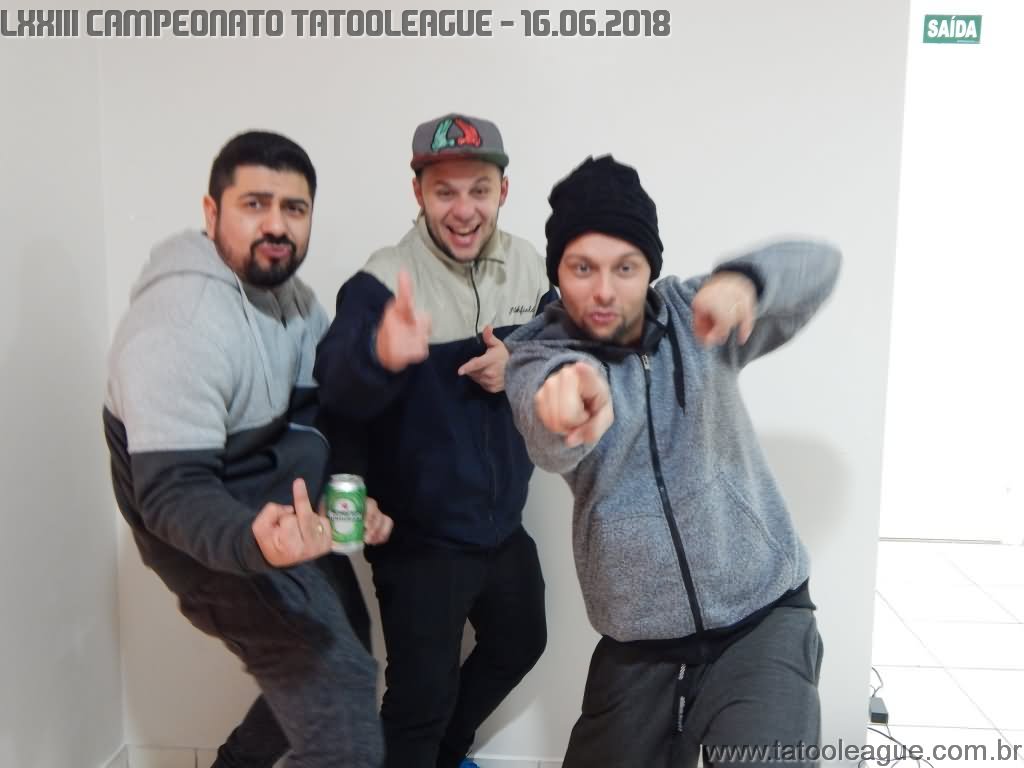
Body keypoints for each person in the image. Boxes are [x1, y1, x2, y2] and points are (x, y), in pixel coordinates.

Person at [503, 155, 841, 767]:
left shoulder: (695, 314)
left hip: (762, 618)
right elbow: (547, 430)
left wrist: (746, 281)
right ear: (558, 273)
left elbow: (820, 265)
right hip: (639, 646)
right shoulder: (537, 356)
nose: (604, 291)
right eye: (582, 268)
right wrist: (565, 403)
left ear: (649, 268)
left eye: (624, 267)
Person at [103, 130, 393, 768]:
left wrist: (344, 492)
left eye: (294, 208)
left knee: (347, 649)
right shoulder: (178, 325)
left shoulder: (298, 304)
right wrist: (256, 542)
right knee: (342, 706)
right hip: (207, 527)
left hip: (278, 508)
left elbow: (321, 420)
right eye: (255, 204)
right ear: (212, 213)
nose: (277, 225)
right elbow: (172, 494)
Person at [314, 113, 554, 768]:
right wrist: (381, 357)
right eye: (445, 191)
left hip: (501, 527)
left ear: (503, 191)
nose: (463, 209)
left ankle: (448, 753)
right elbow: (333, 392)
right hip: (419, 540)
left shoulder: (529, 267)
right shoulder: (383, 279)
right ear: (417, 191)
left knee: (521, 641)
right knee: (419, 699)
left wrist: (520, 362)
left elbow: (566, 349)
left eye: (479, 189)